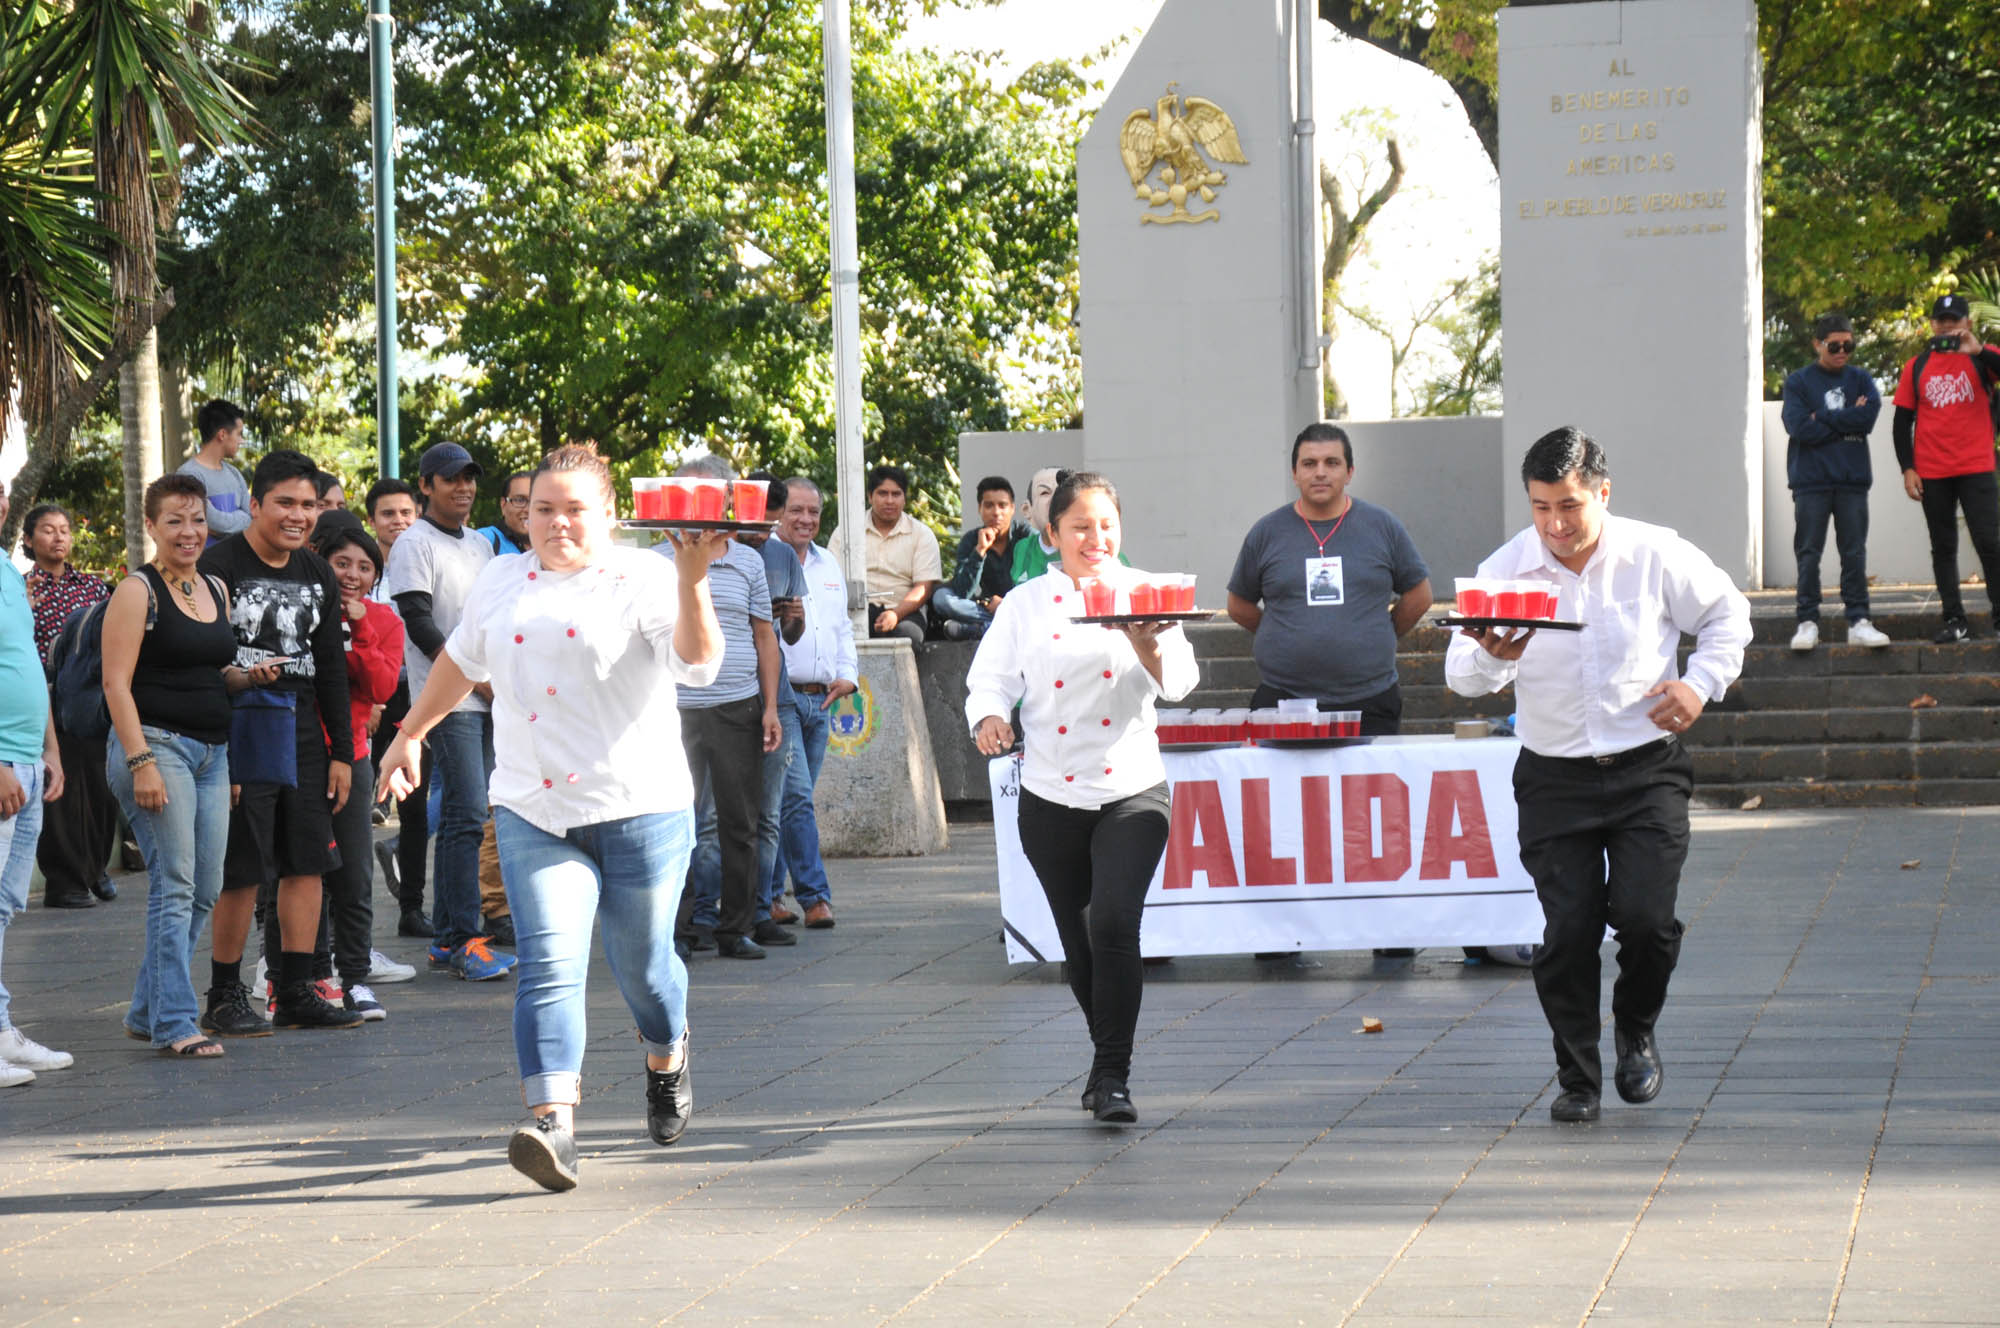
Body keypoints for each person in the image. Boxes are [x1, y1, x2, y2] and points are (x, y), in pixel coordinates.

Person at [376, 442, 727, 1192]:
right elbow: (461, 663)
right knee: (549, 964)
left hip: (640, 805)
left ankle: (668, 1056)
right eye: (543, 509)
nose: (557, 523)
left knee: (643, 971)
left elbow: (698, 665)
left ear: (607, 514)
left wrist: (695, 582)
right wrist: (410, 734)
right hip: (534, 805)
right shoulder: (501, 577)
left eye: (574, 510)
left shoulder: (646, 575)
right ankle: (553, 1127)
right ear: (523, 513)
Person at [1445, 426, 1750, 1124]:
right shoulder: (1507, 570)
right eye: (1541, 506)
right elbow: (1461, 676)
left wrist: (1699, 684)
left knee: (1645, 923)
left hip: (1648, 770)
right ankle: (1576, 1077)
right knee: (1569, 932)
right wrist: (1494, 656)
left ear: (1603, 494)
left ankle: (1635, 1026)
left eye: (1572, 506)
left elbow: (1728, 614)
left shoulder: (1654, 553)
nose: (1556, 524)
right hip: (1555, 778)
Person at [966, 471, 1198, 1125]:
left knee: (1115, 923)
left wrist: (1146, 640)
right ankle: (1106, 1062)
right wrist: (989, 719)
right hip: (1047, 795)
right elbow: (989, 681)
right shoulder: (1025, 604)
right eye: (1080, 527)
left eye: (1107, 525)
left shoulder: (1147, 593)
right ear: (1052, 534)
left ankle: (1112, 1075)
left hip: (1130, 787)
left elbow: (1181, 682)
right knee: (1079, 941)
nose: (1096, 539)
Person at [198, 448, 364, 1034]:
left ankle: (295, 988)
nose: (298, 515)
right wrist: (220, 751)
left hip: (301, 727)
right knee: (242, 867)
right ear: (255, 504)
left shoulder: (316, 571)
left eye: (309, 505)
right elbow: (202, 664)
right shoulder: (219, 565)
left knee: (307, 861)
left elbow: (332, 671)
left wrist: (342, 751)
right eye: (285, 503)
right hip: (240, 720)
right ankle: (225, 994)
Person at [102, 474, 237, 1056]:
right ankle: (175, 1022)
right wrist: (141, 761)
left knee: (206, 887)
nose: (189, 532)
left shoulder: (215, 588)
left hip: (213, 754)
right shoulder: (138, 591)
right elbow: (115, 682)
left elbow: (210, 669)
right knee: (175, 884)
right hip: (157, 747)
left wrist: (246, 676)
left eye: (198, 520)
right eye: (175, 521)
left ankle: (145, 1007)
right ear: (152, 526)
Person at [385, 443, 515, 981]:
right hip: (451, 699)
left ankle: (447, 936)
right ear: (426, 485)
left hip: (487, 697)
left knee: (475, 813)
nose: (463, 488)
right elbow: (418, 622)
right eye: (450, 479)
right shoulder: (415, 542)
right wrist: (472, 677)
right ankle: (462, 938)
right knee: (464, 816)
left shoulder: (481, 546)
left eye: (469, 479)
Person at [1227, 423, 1433, 733]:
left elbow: (1420, 596)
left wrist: (1379, 633)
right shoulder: (1266, 533)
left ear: (1349, 472)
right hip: (1285, 702)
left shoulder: (1382, 526)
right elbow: (1237, 603)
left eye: (1332, 463)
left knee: (1369, 784)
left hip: (1370, 699)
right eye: (1309, 464)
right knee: (1286, 784)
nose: (1320, 472)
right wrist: (1279, 632)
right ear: (1294, 473)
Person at [660, 457, 786, 959]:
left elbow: (765, 638)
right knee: (674, 821)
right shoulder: (657, 558)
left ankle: (736, 928)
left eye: (715, 494)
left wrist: (771, 707)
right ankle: (680, 929)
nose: (705, 504)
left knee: (741, 821)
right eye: (695, 493)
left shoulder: (749, 561)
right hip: (671, 708)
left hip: (738, 704)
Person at [310, 514, 405, 1020]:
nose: (352, 574)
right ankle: (307, 975)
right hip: (302, 751)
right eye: (341, 562)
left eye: (364, 567)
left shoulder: (385, 621)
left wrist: (361, 624)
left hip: (355, 757)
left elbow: (382, 688)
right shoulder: (305, 609)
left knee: (353, 871)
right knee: (302, 870)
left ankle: (355, 978)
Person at [0, 481, 72, 1086]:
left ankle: (1, 1033)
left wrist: (49, 748)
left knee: (4, 905)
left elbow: (25, 659)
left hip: (27, 756)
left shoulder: (5, 568)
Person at [21, 503, 117, 908]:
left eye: (64, 529)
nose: (59, 537)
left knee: (102, 785)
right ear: (28, 540)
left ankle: (95, 869)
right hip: (45, 694)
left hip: (92, 696)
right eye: (47, 530)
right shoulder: (21, 588)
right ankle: (65, 881)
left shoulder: (94, 588)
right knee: (60, 791)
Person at [1893, 293, 2000, 643]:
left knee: (1990, 542)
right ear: (1932, 324)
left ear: (1967, 323)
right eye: (1942, 320)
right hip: (1933, 471)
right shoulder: (1917, 366)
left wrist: (1978, 350)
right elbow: (1901, 422)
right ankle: (1955, 620)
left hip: (1977, 466)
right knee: (1943, 545)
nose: (1947, 326)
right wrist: (1908, 468)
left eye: (1955, 320)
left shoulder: (1983, 359)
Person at [771, 477, 853, 929]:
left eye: (814, 512)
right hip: (780, 699)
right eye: (795, 511)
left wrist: (849, 677)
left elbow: (840, 629)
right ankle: (814, 897)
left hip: (820, 701)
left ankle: (768, 896)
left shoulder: (828, 564)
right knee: (797, 799)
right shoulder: (762, 560)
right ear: (778, 512)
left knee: (788, 803)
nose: (805, 520)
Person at [1782, 315, 1889, 651]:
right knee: (1809, 553)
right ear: (1818, 344)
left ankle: (1859, 620)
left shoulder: (1860, 378)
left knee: (1854, 553)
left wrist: (1823, 416)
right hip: (1811, 481)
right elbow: (1799, 427)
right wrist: (1846, 421)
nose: (1843, 351)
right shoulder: (1798, 382)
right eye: (1834, 345)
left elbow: (1868, 417)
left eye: (1849, 344)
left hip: (1852, 481)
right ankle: (1807, 621)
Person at [364, 478, 433, 937]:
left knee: (415, 804)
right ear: (372, 521)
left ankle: (412, 908)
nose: (399, 522)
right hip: (371, 698)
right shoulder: (360, 568)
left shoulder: (426, 563)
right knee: (361, 804)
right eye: (388, 514)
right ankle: (351, 922)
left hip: (418, 696)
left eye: (407, 513)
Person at [740, 476, 810, 927]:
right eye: (756, 520)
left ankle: (764, 904)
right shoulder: (719, 553)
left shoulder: (782, 555)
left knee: (775, 808)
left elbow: (788, 636)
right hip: (725, 693)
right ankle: (721, 907)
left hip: (777, 696)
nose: (762, 530)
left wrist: (795, 618)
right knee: (718, 814)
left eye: (770, 521)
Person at [828, 463, 940, 646]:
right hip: (856, 611)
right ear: (870, 497)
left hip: (905, 611)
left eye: (896, 494)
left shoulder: (922, 534)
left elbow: (924, 588)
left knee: (906, 636)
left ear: (905, 499)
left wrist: (895, 614)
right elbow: (831, 579)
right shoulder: (846, 532)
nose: (889, 501)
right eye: (882, 493)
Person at [933, 476, 1030, 641]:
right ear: (980, 508)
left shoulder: (1026, 536)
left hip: (1020, 608)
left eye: (1003, 505)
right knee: (941, 598)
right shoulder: (971, 540)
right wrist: (980, 551)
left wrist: (1007, 604)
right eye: (989, 505)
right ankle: (991, 627)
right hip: (987, 608)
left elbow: (1037, 582)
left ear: (1013, 508)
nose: (996, 512)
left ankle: (982, 629)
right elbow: (962, 592)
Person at [176, 399, 253, 539]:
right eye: (239, 434)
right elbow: (214, 523)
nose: (242, 441)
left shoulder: (234, 473)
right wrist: (242, 518)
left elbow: (254, 515)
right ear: (222, 434)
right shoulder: (189, 475)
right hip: (204, 560)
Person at [1009, 467, 1064, 585]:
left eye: (1061, 492)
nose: (1054, 499)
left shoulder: (1084, 549)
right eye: (1045, 493)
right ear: (1027, 510)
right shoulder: (1022, 548)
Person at [477, 471, 532, 555]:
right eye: (520, 500)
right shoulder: (484, 539)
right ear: (503, 505)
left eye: (535, 501)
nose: (528, 509)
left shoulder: (552, 545)